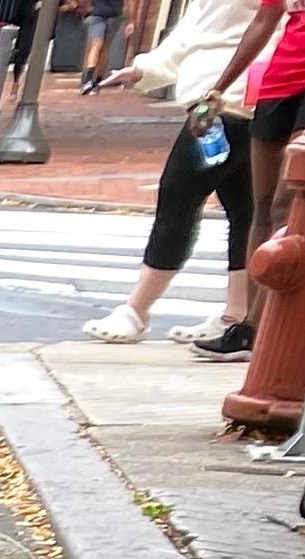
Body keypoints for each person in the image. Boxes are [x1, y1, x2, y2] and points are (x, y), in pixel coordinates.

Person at [176, 0, 305, 356]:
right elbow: (264, 20)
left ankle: (259, 327)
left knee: (288, 205)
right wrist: (216, 91)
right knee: (264, 207)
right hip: (281, 78)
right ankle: (247, 328)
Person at [84, 0, 258, 342]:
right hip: (226, 101)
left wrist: (217, 92)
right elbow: (195, 31)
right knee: (243, 210)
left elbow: (269, 25)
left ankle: (137, 309)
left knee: (179, 197)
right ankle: (235, 314)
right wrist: (143, 70)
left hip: (226, 104)